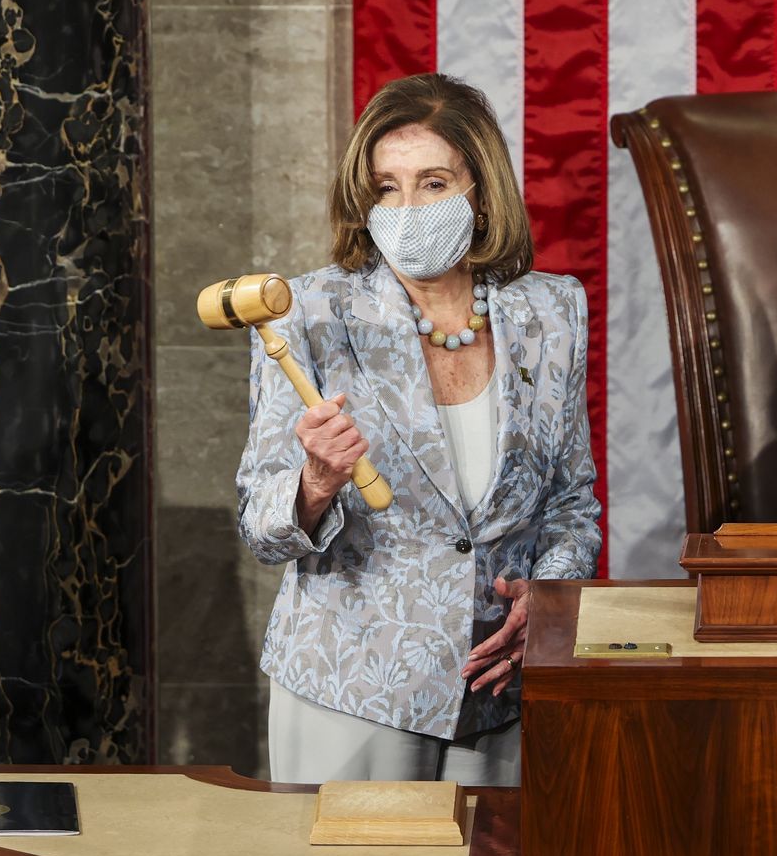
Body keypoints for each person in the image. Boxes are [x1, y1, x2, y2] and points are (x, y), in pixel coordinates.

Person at [236, 73, 600, 784]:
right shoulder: (304, 312)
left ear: (481, 191)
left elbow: (571, 504)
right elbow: (260, 527)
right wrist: (314, 483)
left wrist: (551, 600)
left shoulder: (552, 311)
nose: (406, 208)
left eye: (432, 184)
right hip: (354, 691)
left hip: (497, 692)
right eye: (385, 187)